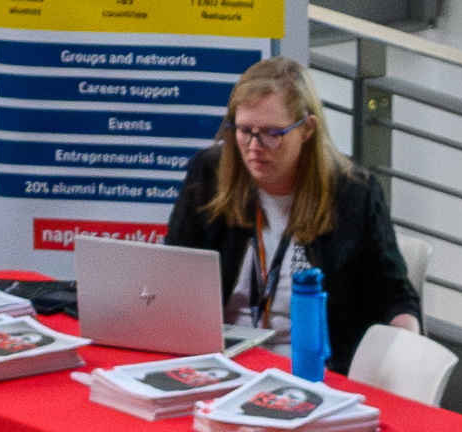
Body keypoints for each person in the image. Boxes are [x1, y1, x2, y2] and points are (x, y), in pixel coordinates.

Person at [157, 54, 419, 349]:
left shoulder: (353, 193)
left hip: (308, 365)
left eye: (272, 133)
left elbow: (393, 296)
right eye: (244, 131)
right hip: (218, 354)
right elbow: (175, 273)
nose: (254, 147)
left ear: (307, 129)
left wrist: (405, 349)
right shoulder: (208, 174)